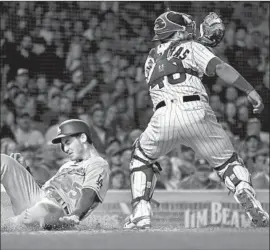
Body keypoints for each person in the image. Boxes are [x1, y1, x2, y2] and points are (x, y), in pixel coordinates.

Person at [124, 11, 269, 229]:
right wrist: (249, 90)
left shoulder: (150, 60)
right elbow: (219, 68)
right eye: (184, 26)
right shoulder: (192, 47)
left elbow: (172, 60)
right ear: (176, 31)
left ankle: (141, 212)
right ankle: (244, 192)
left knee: (141, 159)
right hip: (195, 111)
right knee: (227, 162)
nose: (189, 28)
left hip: (162, 117)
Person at [1, 119, 110, 229]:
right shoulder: (67, 165)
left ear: (82, 138)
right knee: (4, 160)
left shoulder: (98, 164)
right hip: (38, 198)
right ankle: (15, 222)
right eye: (63, 145)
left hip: (57, 212)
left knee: (40, 211)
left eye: (67, 142)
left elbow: (89, 192)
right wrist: (25, 169)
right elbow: (44, 189)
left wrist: (76, 214)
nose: (65, 149)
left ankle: (8, 224)